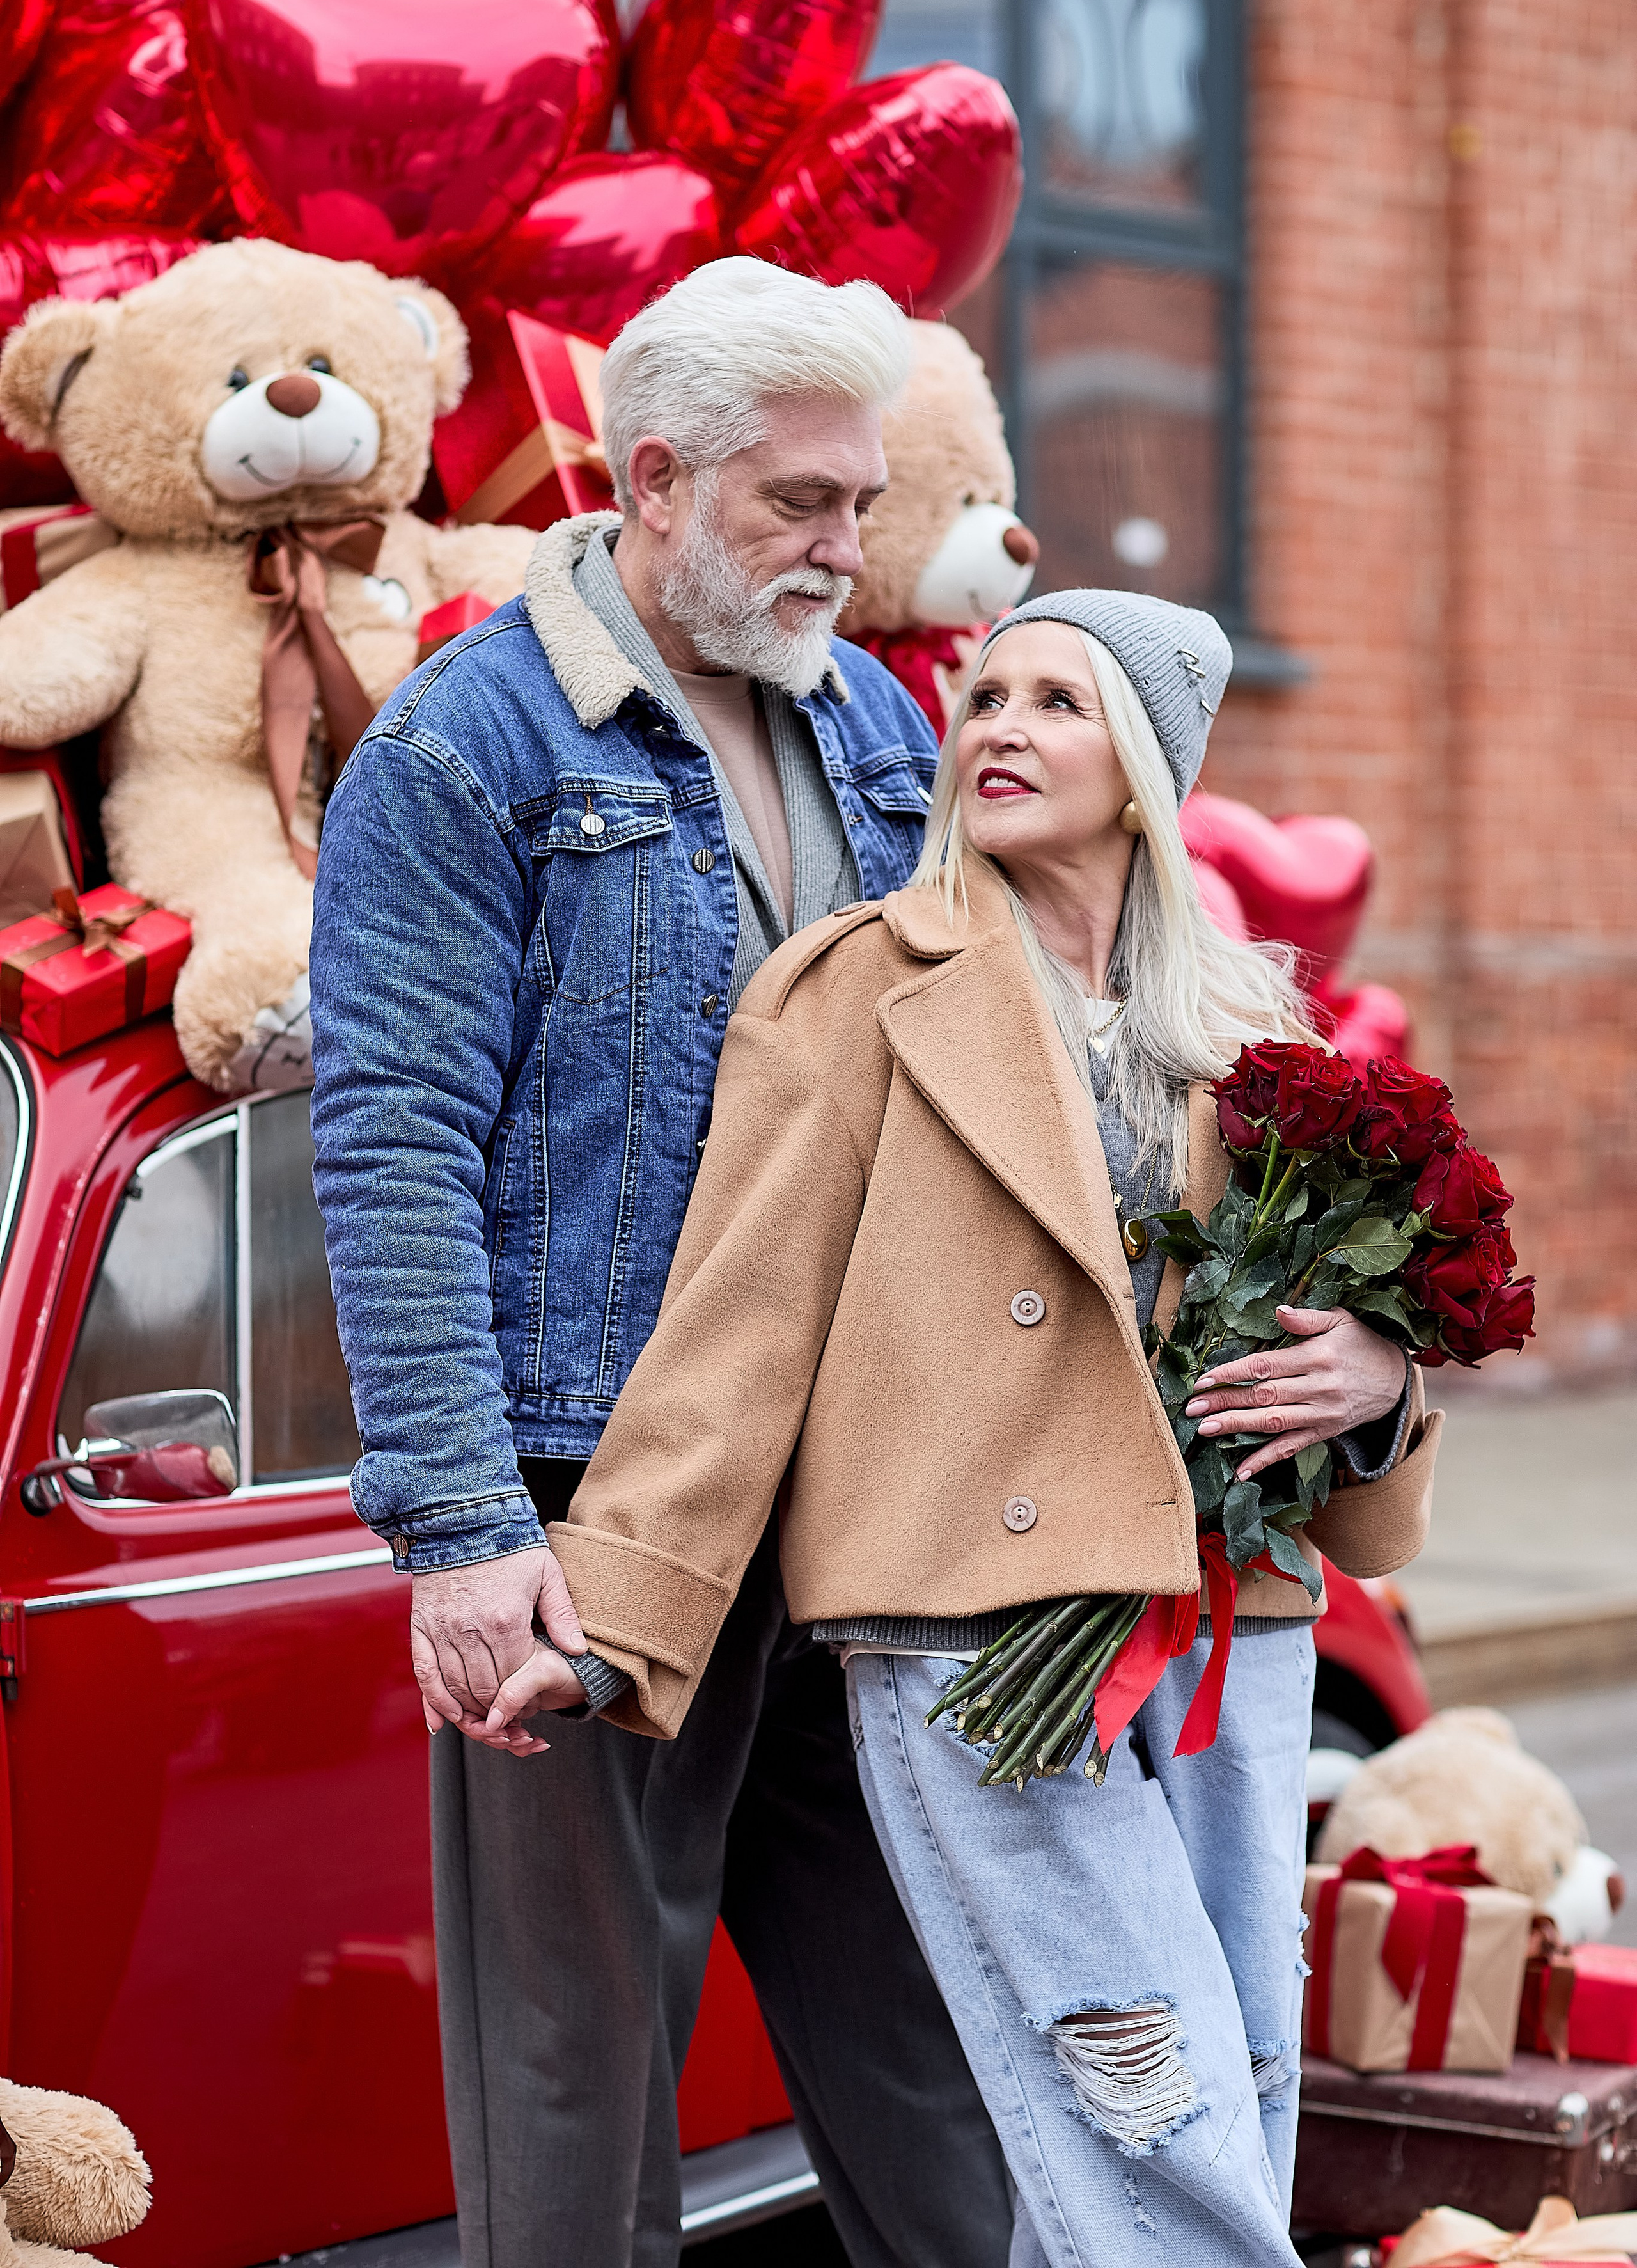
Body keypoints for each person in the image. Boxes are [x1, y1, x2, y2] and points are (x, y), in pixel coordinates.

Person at [501, 590, 1445, 2267]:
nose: (998, 727)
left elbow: (1341, 1338)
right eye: (985, 697)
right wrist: (614, 1615)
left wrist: (1380, 1378)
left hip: (1234, 1627)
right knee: (1140, 2098)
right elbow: (740, 1327)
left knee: (1235, 2084)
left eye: (1056, 702)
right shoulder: (861, 988)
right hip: (980, 1639)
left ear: (1145, 763)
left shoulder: (1252, 1024)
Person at [307, 258, 1014, 2268]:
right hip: (589, 1498)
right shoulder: (468, 748)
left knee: (942, 2072)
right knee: (577, 2114)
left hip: (858, 1502)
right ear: (654, 482)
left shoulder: (876, 721)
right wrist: (462, 1536)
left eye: (862, 503)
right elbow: (393, 1146)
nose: (844, 547)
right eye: (799, 501)